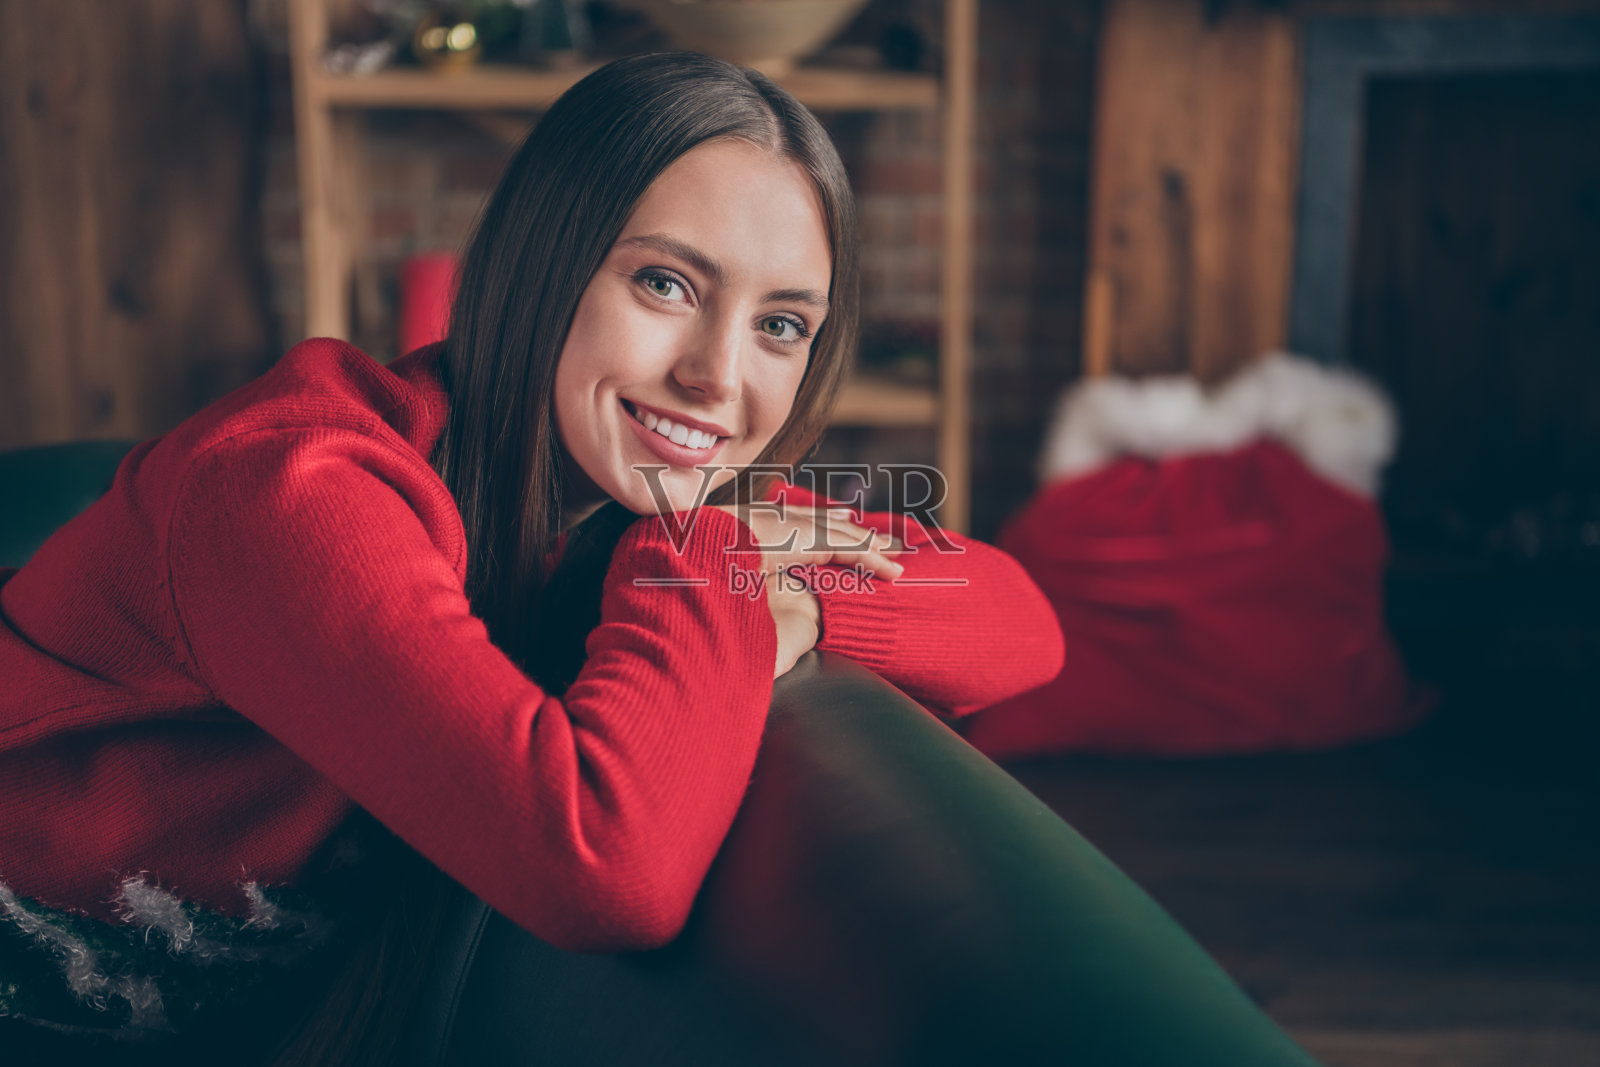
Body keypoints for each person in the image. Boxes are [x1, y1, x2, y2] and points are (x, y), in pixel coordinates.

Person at [0, 52, 1063, 1060]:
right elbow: (604, 869)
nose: (715, 376)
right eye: (666, 285)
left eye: (781, 325)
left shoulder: (645, 493)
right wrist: (706, 572)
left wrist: (729, 561)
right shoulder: (289, 492)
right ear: (539, 266)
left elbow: (1016, 619)